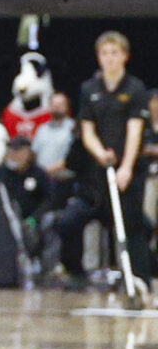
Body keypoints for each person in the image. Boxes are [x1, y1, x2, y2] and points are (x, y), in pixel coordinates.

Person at [47, 31, 155, 287]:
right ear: (98, 57)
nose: (110, 58)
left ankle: (139, 281)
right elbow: (87, 131)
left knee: (133, 227)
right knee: (68, 222)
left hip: (127, 176)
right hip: (96, 177)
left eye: (115, 53)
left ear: (125, 57)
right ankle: (75, 274)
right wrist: (100, 154)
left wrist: (126, 167)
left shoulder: (135, 89)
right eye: (105, 53)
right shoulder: (89, 89)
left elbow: (135, 130)